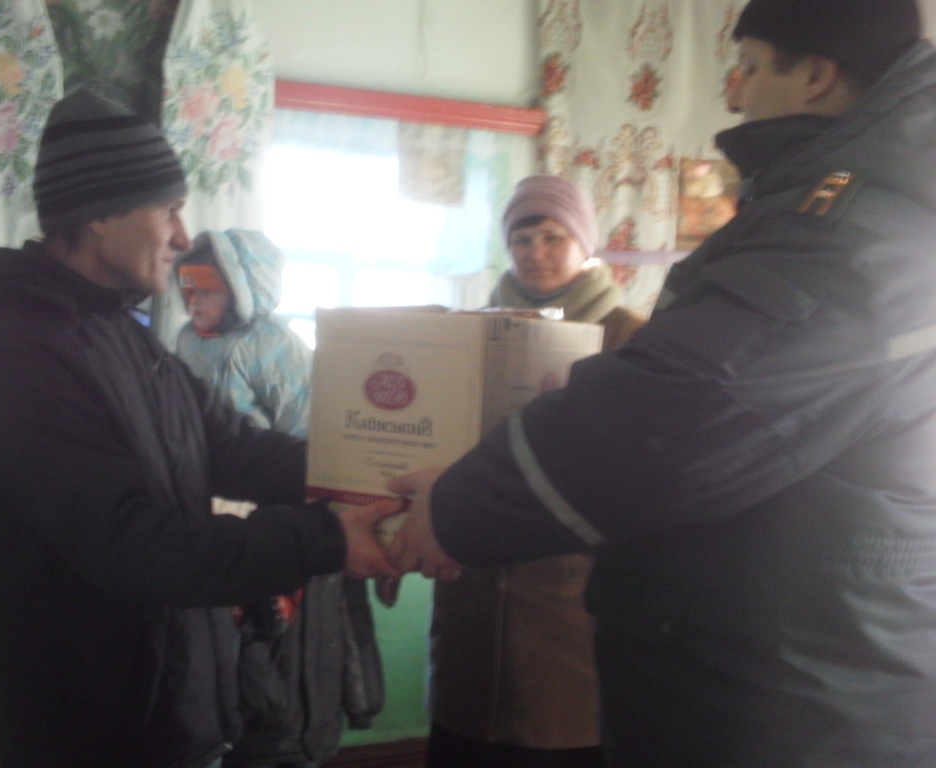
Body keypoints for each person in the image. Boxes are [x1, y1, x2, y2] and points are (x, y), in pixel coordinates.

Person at [386, 1, 936, 766]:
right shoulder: (848, 213)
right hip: (778, 664)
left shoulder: (845, 232)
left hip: (791, 693)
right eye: (522, 237)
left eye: (750, 67)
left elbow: (677, 415)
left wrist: (454, 508)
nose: (736, 93)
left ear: (815, 74)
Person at [0, 88, 400, 768]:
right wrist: (327, 538)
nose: (183, 238)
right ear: (100, 214)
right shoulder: (16, 354)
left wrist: (377, 481)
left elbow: (233, 446)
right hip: (94, 739)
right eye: (169, 210)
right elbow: (134, 544)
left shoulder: (118, 333)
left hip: (172, 716)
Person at [424, 175, 644, 768]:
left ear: (584, 243)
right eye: (521, 239)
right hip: (471, 581)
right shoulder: (472, 331)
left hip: (573, 597)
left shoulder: (631, 339)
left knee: (560, 734)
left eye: (553, 237)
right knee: (466, 731)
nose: (535, 253)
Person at [174, 231, 385, 768]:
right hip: (209, 531)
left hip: (278, 526)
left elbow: (307, 439)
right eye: (186, 288)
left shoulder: (274, 345)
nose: (194, 301)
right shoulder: (183, 341)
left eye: (208, 289)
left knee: (281, 673)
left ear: (245, 291)